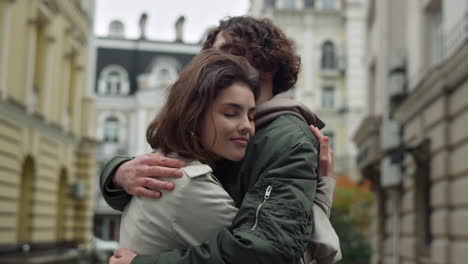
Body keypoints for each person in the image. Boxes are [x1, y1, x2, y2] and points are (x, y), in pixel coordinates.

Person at [103, 16, 340, 264]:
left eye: (230, 53)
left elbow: (266, 250)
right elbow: (172, 181)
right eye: (211, 56)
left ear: (267, 64)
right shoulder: (215, 135)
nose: (215, 64)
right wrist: (118, 173)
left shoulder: (288, 138)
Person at [119, 49, 259, 255]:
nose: (247, 125)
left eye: (252, 116)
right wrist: (322, 189)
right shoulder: (189, 185)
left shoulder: (166, 165)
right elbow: (269, 256)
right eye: (231, 113)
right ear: (194, 115)